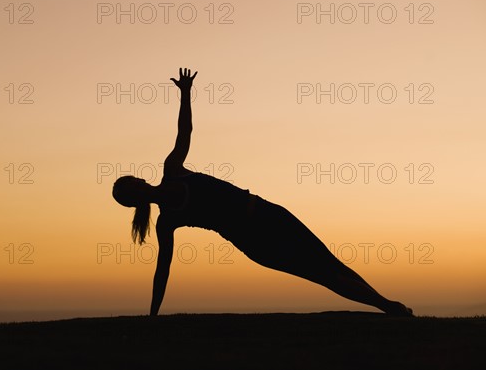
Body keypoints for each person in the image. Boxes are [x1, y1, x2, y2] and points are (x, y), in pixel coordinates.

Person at [112, 68, 413, 317]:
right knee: (321, 275)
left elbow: (185, 132)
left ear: (139, 179)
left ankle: (387, 305)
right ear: (133, 202)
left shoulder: (173, 169)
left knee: (332, 264)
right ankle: (389, 308)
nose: (136, 189)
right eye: (129, 194)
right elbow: (162, 269)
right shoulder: (167, 221)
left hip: (267, 212)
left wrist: (186, 93)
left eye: (131, 183)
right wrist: (152, 314)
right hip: (254, 242)